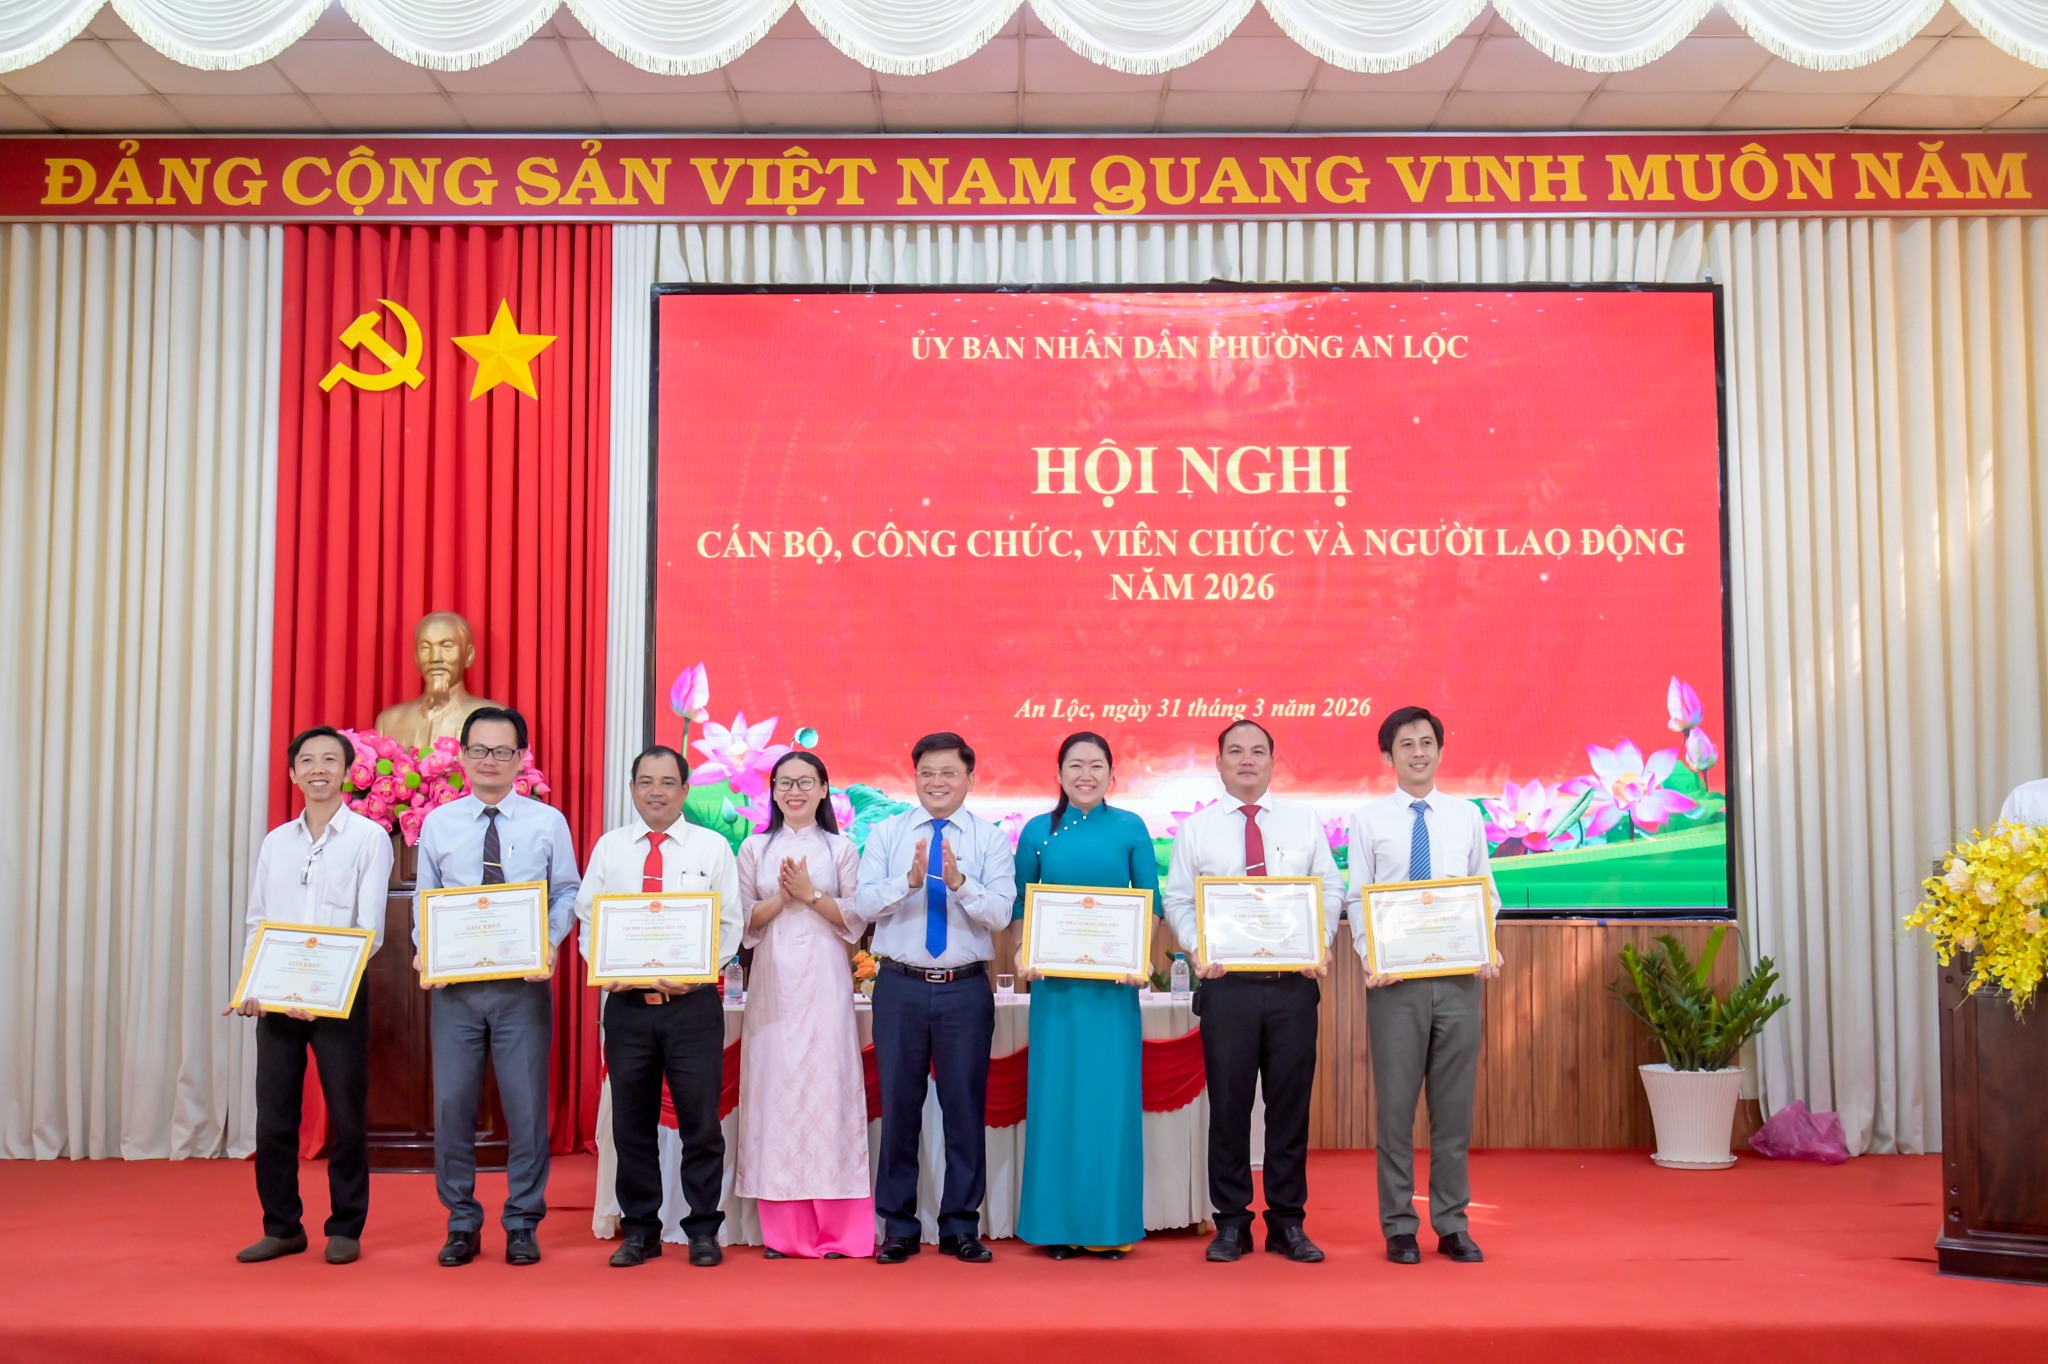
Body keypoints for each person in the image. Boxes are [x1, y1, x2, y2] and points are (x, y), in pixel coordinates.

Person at [1162, 719, 1342, 1264]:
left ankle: (1288, 1222)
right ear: (1218, 763)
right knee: (1230, 1108)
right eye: (1235, 751)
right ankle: (1232, 1223)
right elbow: (1178, 900)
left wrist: (1318, 940)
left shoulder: (1303, 822)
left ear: (1272, 761)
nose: (1247, 759)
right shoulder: (1196, 830)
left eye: (1257, 751)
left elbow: (1329, 887)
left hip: (1292, 988)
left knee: (1290, 1108)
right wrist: (1199, 947)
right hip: (1228, 988)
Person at [413, 706, 580, 1267]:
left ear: (520, 758)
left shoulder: (547, 822)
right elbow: (426, 900)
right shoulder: (438, 824)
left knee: (526, 1107)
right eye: (480, 750)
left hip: (521, 987)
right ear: (461, 756)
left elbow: (567, 891)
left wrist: (548, 942)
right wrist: (425, 949)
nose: (490, 760)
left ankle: (522, 1221)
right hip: (456, 989)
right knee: (452, 1106)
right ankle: (461, 1221)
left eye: (503, 751)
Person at [229, 726, 394, 1265]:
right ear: (293, 773)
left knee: (346, 1113)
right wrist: (253, 987)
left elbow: (370, 930)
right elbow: (258, 922)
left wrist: (319, 989)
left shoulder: (369, 837)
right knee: (274, 1116)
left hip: (339, 995)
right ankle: (282, 1227)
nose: (318, 768)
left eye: (329, 759)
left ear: (347, 771)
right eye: (307, 760)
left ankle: (346, 1225)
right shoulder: (276, 842)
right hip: (277, 997)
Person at [1344, 705, 1502, 1267]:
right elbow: (1357, 899)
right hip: (1395, 984)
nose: (1418, 752)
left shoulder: (1466, 816)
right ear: (1388, 755)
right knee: (1395, 1112)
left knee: (1453, 1113)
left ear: (1439, 749)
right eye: (1406, 744)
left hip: (1458, 981)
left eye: (1427, 742)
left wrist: (1485, 945)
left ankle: (1453, 1224)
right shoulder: (1367, 821)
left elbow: (1486, 891)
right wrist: (1372, 957)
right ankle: (1399, 1226)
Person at [852, 732, 1016, 1264]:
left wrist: (961, 882)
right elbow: (864, 905)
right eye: (927, 773)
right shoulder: (888, 833)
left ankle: (960, 1226)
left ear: (970, 778)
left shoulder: (990, 839)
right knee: (899, 1109)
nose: (937, 782)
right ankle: (898, 1226)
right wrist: (908, 881)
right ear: (915, 777)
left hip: (965, 990)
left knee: (963, 1110)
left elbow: (1000, 915)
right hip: (899, 987)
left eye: (948, 772)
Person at [576, 744, 743, 1268]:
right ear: (632, 789)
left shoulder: (713, 848)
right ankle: (640, 1229)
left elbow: (730, 924)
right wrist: (606, 969)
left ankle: (702, 1228)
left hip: (691, 1006)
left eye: (668, 782)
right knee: (631, 1123)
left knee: (700, 1123)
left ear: (685, 790)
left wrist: (696, 972)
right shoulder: (610, 848)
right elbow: (589, 920)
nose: (656, 792)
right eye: (646, 782)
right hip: (627, 1006)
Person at [1012, 732, 1158, 1258]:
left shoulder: (1131, 828)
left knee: (1108, 1105)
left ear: (1112, 775)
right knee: (1057, 1101)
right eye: (1075, 765)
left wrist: (1140, 958)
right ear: (1059, 774)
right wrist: (1023, 951)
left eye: (1097, 765)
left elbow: (1150, 901)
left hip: (1113, 995)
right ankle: (1056, 1226)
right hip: (1057, 994)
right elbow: (1022, 907)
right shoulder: (1037, 831)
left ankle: (1108, 1227)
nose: (1085, 775)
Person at [734, 750, 873, 1259]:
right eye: (784, 782)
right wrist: (782, 898)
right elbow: (742, 922)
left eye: (805, 782)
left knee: (829, 1089)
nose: (794, 791)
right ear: (771, 791)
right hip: (772, 981)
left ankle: (841, 1230)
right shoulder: (754, 847)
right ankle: (785, 1232)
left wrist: (811, 894)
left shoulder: (841, 848)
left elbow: (856, 919)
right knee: (776, 1091)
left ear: (823, 789)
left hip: (826, 981)